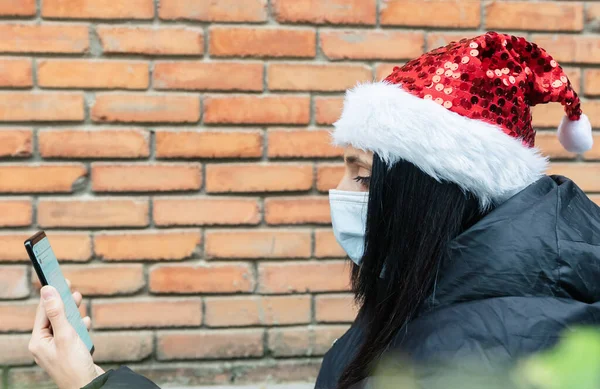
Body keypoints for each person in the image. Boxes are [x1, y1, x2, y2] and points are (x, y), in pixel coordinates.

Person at [29, 31, 600, 389]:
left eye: (362, 174)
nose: (341, 191)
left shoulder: (475, 353)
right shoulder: (456, 288)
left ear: (433, 195)